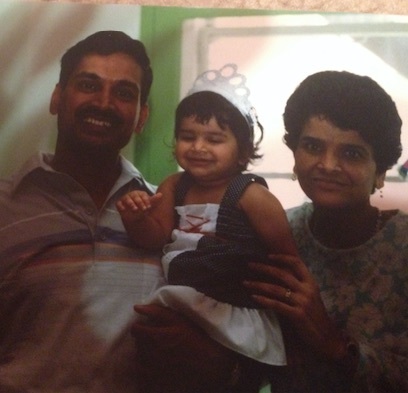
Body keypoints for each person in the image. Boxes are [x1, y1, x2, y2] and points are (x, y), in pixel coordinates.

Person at [0, 31, 250, 393]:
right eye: (88, 85)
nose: (103, 103)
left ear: (141, 116)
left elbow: (224, 328)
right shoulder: (6, 206)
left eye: (124, 93)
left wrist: (212, 355)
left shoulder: (169, 216)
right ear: (57, 97)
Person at [116, 64, 299, 390]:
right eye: (188, 137)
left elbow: (286, 259)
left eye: (214, 139)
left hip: (232, 305)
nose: (198, 147)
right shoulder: (174, 185)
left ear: (243, 151)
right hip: (183, 298)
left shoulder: (252, 196)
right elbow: (154, 237)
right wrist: (136, 219)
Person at [244, 70, 408, 392]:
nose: (328, 165)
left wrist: (332, 342)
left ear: (380, 171)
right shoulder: (276, 234)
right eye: (313, 146)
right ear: (294, 154)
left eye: (351, 153)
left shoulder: (403, 246)